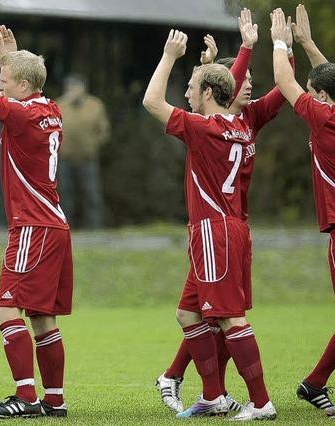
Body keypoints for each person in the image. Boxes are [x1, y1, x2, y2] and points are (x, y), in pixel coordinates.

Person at [156, 8, 293, 416]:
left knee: (227, 317)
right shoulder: (238, 124)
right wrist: (262, 47)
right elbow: (243, 87)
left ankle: (259, 402)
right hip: (226, 228)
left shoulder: (225, 123)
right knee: (191, 313)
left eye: (248, 79)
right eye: (242, 79)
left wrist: (250, 48)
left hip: (218, 229)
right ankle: (211, 394)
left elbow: (270, 89)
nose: (245, 84)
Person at [0, 21, 73, 418]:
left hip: (33, 226)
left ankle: (25, 397)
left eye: (6, 79)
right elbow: (19, 82)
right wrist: (8, 57)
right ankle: (54, 401)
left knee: (6, 308)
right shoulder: (50, 109)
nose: (1, 84)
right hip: (56, 225)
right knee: (43, 318)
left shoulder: (21, 114)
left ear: (24, 86)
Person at [271, 5, 335, 416]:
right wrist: (310, 44)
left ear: (322, 98)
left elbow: (283, 80)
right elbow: (327, 78)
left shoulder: (325, 118)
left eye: (315, 93)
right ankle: (314, 383)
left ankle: (313, 384)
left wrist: (281, 41)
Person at [56, 74, 109, 228]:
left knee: (92, 195)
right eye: (70, 87)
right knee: (65, 196)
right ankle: (64, 229)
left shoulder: (95, 105)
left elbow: (103, 131)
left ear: (83, 88)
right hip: (64, 158)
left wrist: (93, 145)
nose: (73, 90)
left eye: (76, 86)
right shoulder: (58, 105)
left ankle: (95, 229)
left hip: (88, 158)